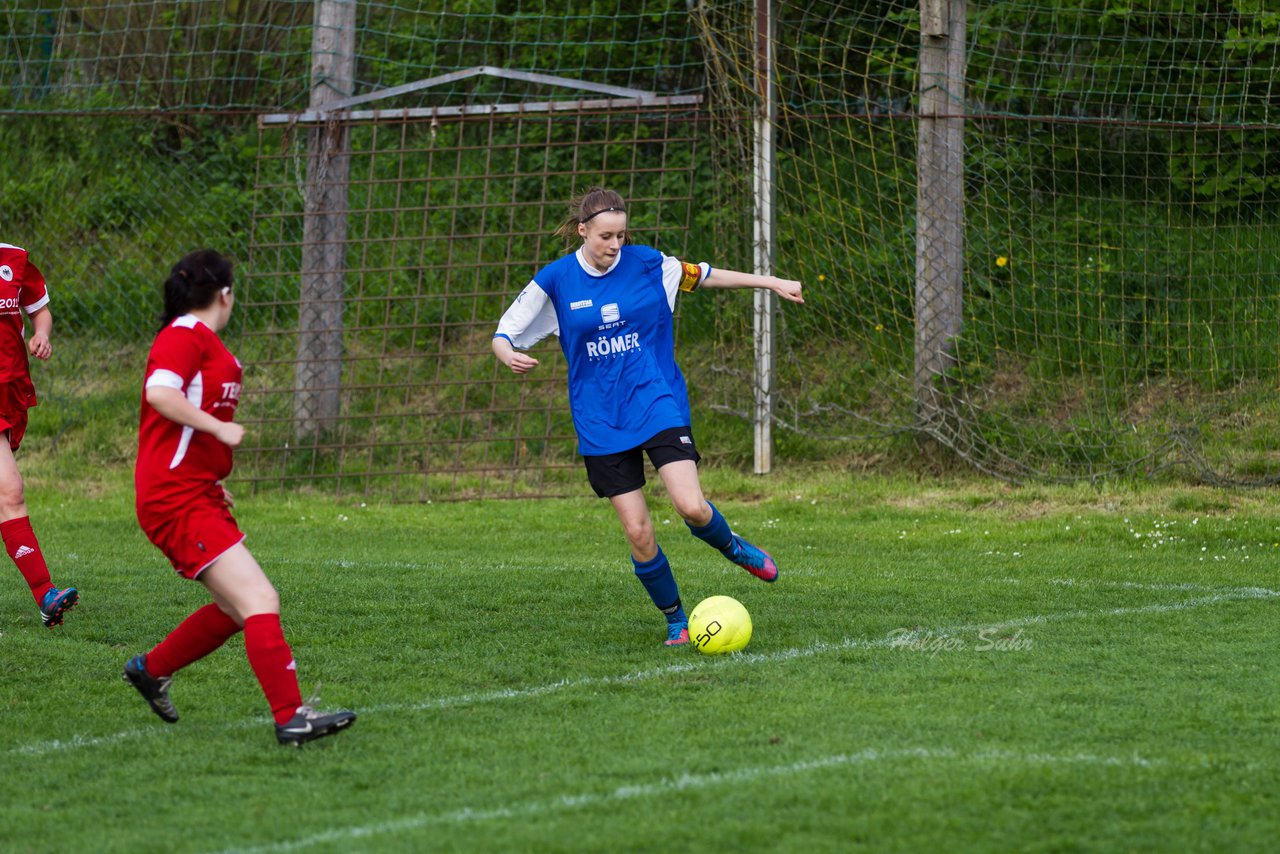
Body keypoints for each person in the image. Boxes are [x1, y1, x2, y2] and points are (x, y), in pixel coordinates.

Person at [492, 188, 804, 647]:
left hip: (656, 400)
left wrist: (771, 282)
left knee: (691, 506)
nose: (614, 245)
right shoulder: (556, 280)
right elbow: (506, 331)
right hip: (599, 420)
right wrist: (506, 355)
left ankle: (733, 546)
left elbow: (707, 275)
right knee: (638, 532)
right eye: (604, 236)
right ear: (583, 231)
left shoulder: (648, 263)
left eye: (620, 235)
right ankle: (676, 620)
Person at [123, 250, 355, 746]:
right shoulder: (184, 335)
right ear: (225, 294)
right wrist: (220, 430)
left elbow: (179, 420)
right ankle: (291, 717)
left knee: (235, 609)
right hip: (174, 498)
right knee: (259, 599)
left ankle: (151, 669)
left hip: (191, 490)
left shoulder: (200, 339)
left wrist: (207, 470)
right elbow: (161, 393)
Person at [0, 243, 78, 629]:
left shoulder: (14, 260)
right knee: (10, 491)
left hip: (8, 389)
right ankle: (44, 592)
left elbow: (39, 312)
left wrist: (41, 335)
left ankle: (46, 596)